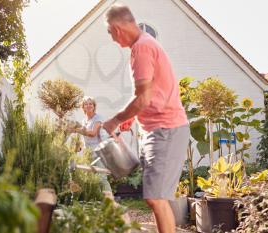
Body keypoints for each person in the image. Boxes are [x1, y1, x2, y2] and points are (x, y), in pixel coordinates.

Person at [102, 4, 190, 233]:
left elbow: (142, 98)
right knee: (156, 197)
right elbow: (148, 96)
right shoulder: (145, 45)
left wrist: (115, 119)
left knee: (156, 198)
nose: (112, 39)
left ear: (117, 28)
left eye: (110, 33)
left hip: (166, 130)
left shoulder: (141, 48)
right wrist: (130, 119)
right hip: (159, 130)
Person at [73, 96, 112, 193]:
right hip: (88, 153)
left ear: (94, 106)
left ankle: (110, 202)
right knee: (91, 179)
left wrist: (76, 129)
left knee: (102, 178)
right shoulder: (83, 121)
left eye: (91, 103)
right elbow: (83, 138)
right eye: (86, 104)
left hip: (98, 154)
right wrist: (78, 146)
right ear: (83, 107)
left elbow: (93, 133)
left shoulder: (98, 118)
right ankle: (99, 201)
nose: (88, 105)